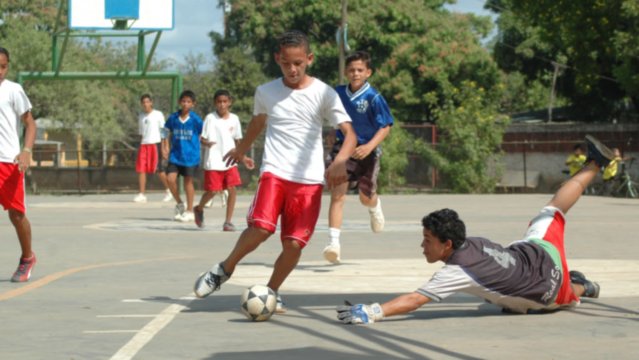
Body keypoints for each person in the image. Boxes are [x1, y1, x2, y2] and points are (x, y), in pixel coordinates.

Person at [336, 135, 612, 324]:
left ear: (447, 244)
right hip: (541, 252)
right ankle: (596, 163)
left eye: (428, 240)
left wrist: (373, 311)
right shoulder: (474, 242)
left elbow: (415, 299)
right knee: (553, 209)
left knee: (563, 293)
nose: (422, 246)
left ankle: (583, 286)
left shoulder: (457, 271)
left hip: (545, 289)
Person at [193, 30, 357, 312]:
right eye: (286, 64)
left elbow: (350, 134)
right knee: (261, 227)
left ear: (309, 59)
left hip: (309, 180)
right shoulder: (266, 92)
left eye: (298, 63)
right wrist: (242, 148)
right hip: (275, 172)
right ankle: (224, 269)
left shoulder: (324, 93)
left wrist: (340, 160)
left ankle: (271, 290)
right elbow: (259, 122)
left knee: (294, 244)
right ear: (277, 59)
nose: (292, 69)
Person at [322, 50, 394, 264]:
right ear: (346, 72)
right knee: (338, 195)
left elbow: (386, 126)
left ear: (368, 72)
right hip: (343, 149)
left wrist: (370, 146)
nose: (355, 73)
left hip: (367, 150)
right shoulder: (338, 93)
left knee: (365, 196)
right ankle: (333, 243)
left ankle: (374, 206)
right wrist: (332, 132)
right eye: (351, 69)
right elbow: (334, 117)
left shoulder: (374, 97)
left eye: (360, 70)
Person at [0, 47, 37, 282]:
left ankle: (27, 257)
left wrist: (26, 151)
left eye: (3, 66)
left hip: (8, 161)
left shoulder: (13, 90)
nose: (0, 71)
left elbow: (30, 124)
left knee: (16, 215)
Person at [194, 89, 254, 231]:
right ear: (215, 103)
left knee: (232, 190)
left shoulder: (234, 119)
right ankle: (199, 208)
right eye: (219, 102)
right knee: (213, 191)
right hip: (214, 161)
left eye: (224, 101)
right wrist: (206, 143)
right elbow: (202, 138)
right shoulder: (210, 118)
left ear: (229, 102)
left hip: (230, 161)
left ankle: (228, 222)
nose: (222, 104)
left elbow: (238, 141)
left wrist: (243, 157)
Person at [161, 90, 203, 222]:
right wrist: (164, 146)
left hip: (190, 156)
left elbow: (203, 134)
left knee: (188, 182)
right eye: (183, 101)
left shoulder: (196, 120)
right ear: (180, 102)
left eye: (189, 102)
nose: (185, 104)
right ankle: (180, 203)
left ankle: (190, 211)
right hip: (175, 155)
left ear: (193, 104)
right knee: (170, 179)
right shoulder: (173, 118)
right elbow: (164, 131)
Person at [133, 94, 172, 203]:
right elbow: (141, 133)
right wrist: (140, 145)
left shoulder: (158, 114)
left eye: (147, 102)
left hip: (155, 144)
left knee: (159, 170)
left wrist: (165, 146)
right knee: (141, 169)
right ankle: (141, 194)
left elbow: (164, 131)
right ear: (141, 104)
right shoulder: (141, 116)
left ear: (151, 102)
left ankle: (169, 190)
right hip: (144, 145)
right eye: (143, 102)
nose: (145, 104)